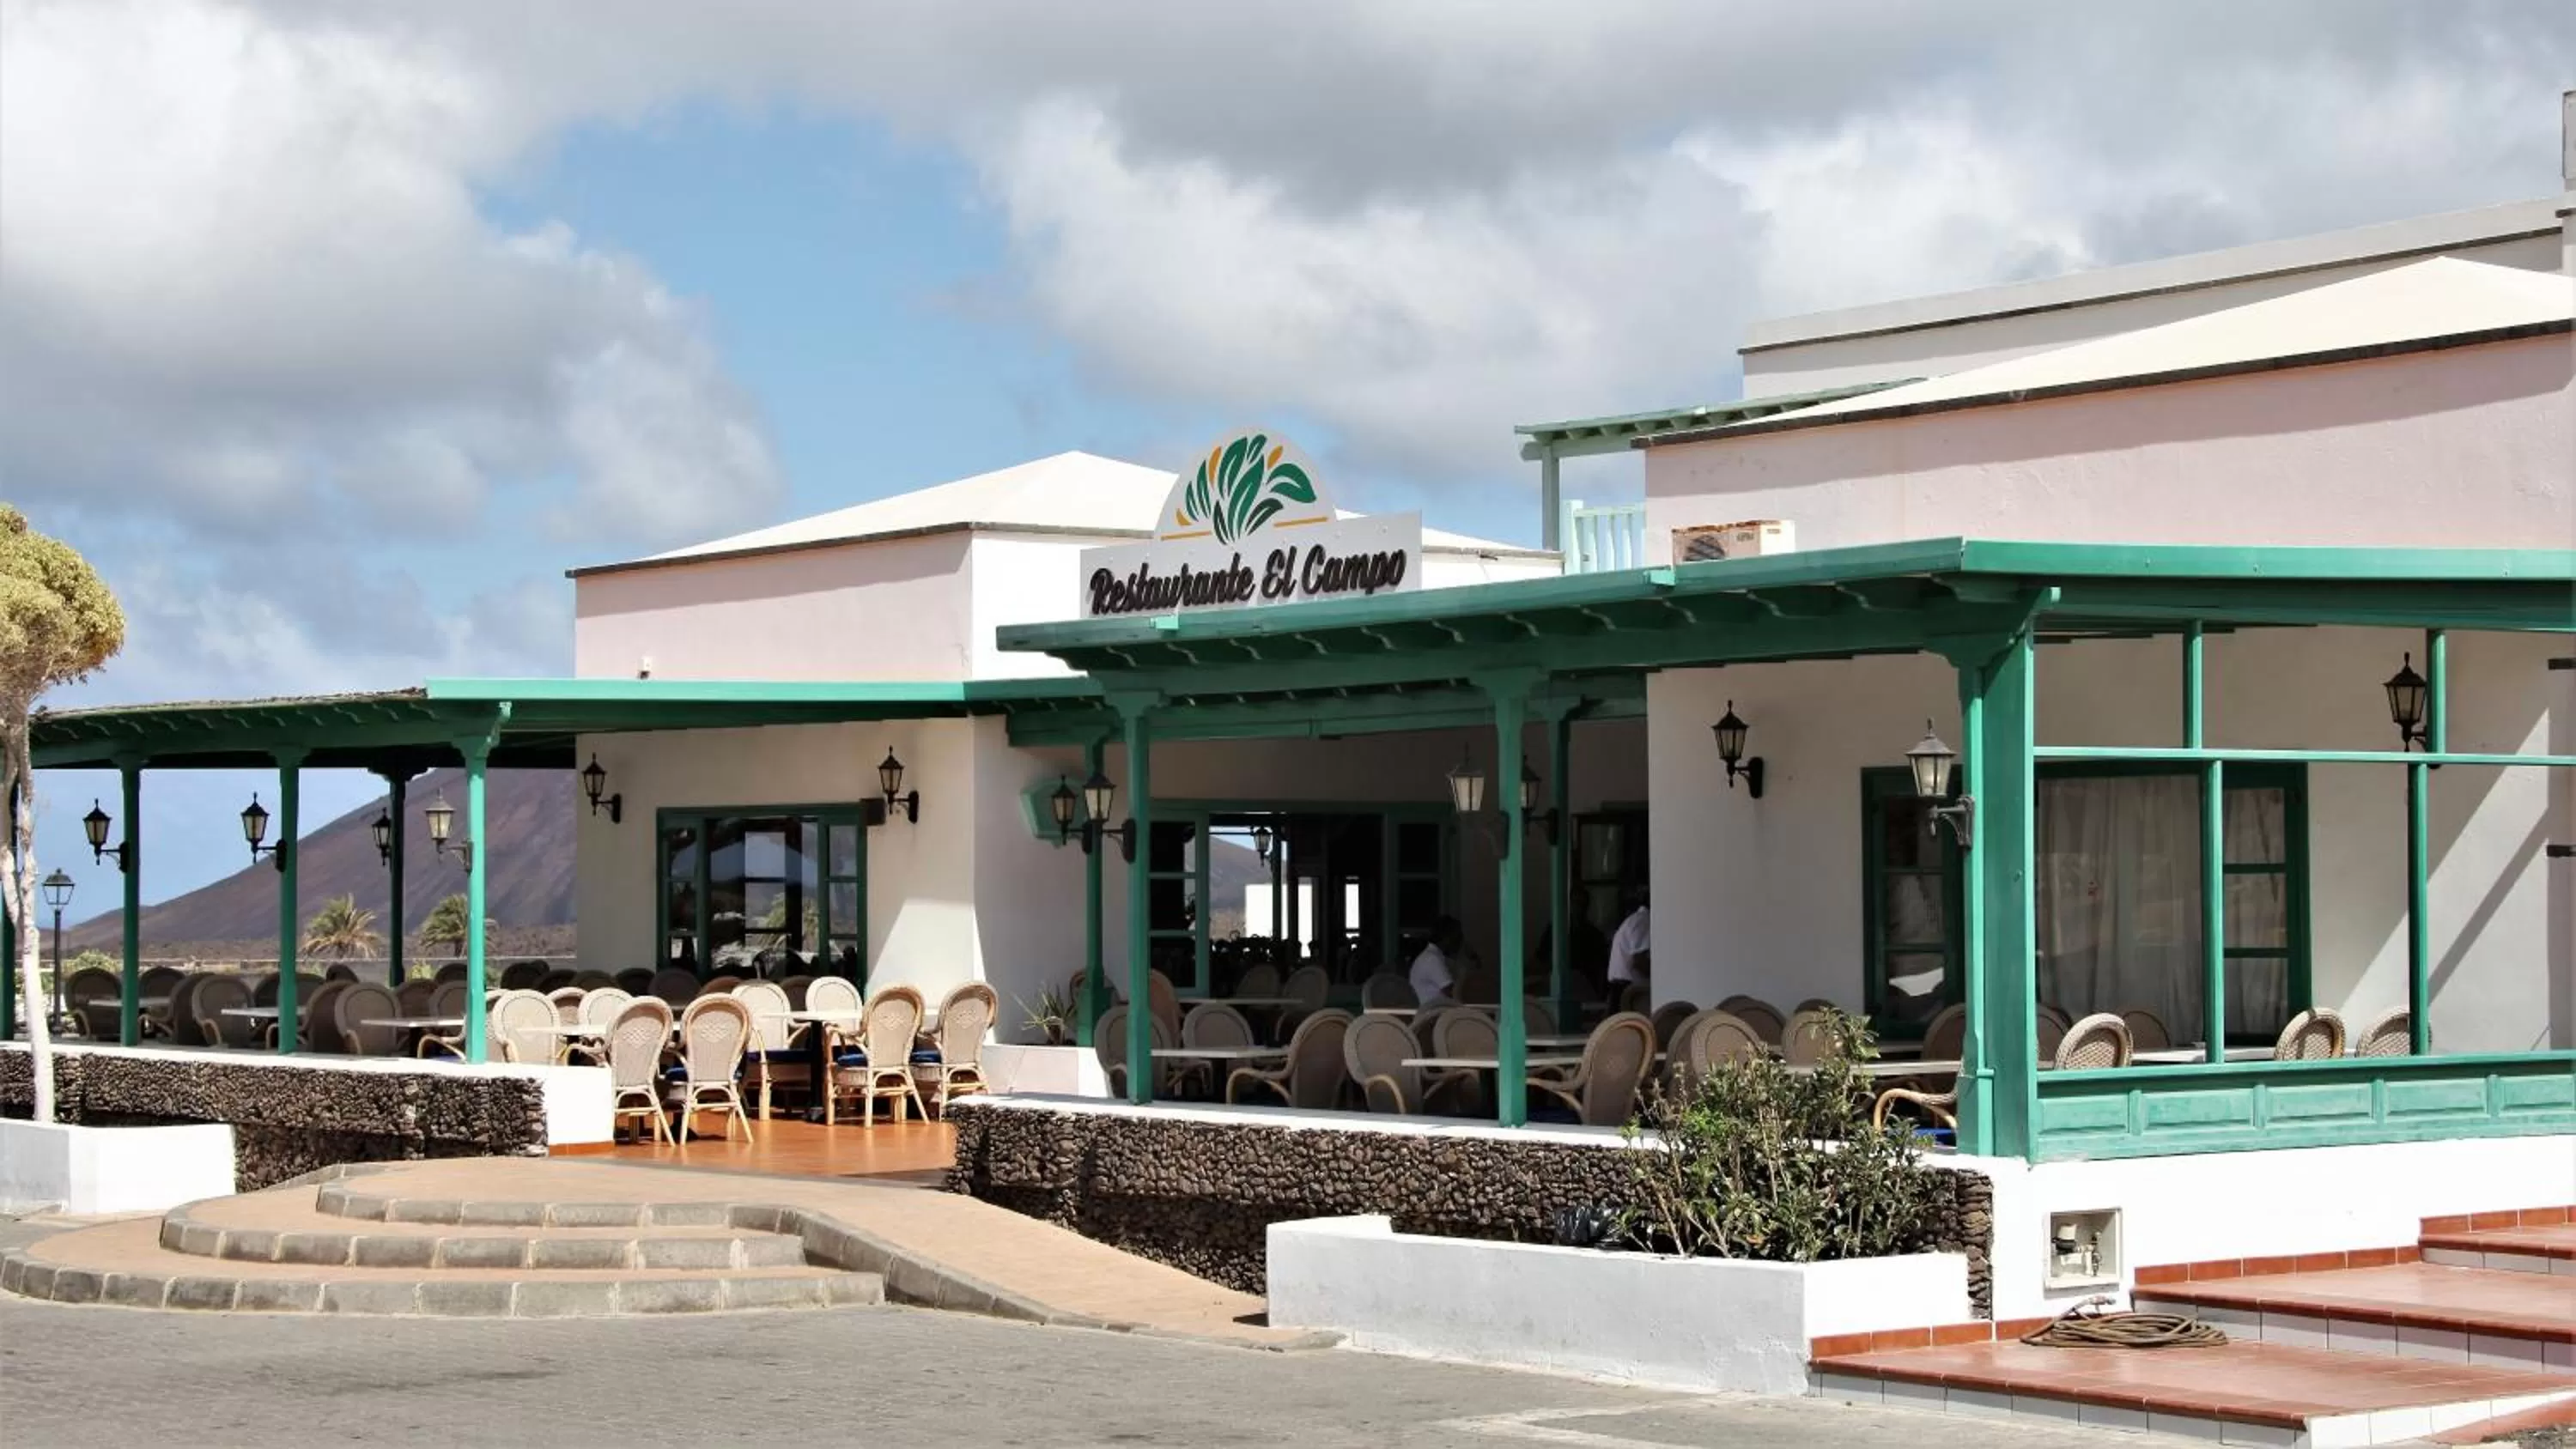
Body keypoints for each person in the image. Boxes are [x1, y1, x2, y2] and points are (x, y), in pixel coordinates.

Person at [1409, 916, 1464, 1006]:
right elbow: (1454, 993)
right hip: (1432, 1014)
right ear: (1448, 937)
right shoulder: (1432, 959)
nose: (1460, 941)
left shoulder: (1435, 956)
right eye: (1458, 936)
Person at [1607, 894, 1651, 989]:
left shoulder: (1636, 918)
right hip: (1627, 986)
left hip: (1620, 985)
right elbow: (1639, 961)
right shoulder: (1645, 920)